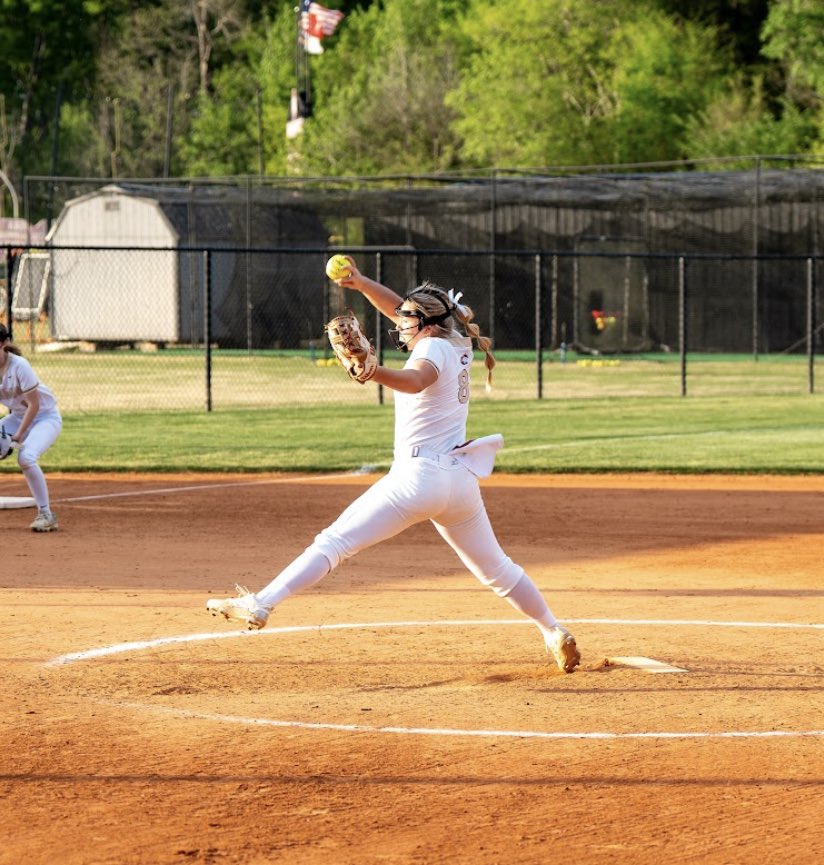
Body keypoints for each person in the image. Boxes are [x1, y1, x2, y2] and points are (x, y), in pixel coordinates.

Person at [207, 257, 580, 673]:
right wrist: (363, 283)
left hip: (418, 478)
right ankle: (552, 629)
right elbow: (400, 312)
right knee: (497, 569)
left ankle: (261, 603)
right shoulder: (454, 342)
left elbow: (417, 378)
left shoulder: (432, 350)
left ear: (425, 323)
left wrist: (373, 372)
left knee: (333, 543)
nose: (398, 323)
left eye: (406, 319)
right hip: (458, 482)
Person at [0, 322, 62, 531]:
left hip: (45, 418)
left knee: (25, 457)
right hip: (18, 417)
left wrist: (16, 437)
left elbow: (34, 405)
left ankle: (46, 514)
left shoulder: (19, 366)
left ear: (2, 344)